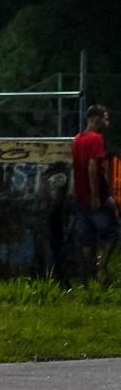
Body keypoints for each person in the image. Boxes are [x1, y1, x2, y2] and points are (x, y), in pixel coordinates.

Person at [71, 105, 119, 281]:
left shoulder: (76, 139)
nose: (107, 122)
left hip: (80, 196)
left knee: (87, 238)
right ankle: (102, 268)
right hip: (97, 195)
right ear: (97, 119)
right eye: (105, 118)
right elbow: (92, 167)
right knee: (114, 233)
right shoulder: (96, 139)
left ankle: (87, 276)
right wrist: (96, 196)